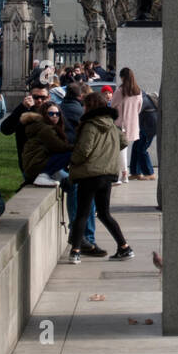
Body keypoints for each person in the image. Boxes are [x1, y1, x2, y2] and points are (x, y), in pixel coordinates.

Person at [67, 89, 133, 263]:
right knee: (104, 213)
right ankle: (124, 247)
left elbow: (84, 150)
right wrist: (107, 154)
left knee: (82, 213)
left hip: (90, 175)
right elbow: (124, 142)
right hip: (107, 176)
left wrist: (72, 160)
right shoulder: (112, 125)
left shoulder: (90, 125)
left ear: (90, 106)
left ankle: (75, 251)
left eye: (85, 105)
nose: (83, 108)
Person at [61, 83, 102, 257]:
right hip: (87, 167)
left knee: (83, 204)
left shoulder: (62, 109)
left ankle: (78, 239)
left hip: (71, 161)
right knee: (89, 206)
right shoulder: (87, 119)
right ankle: (86, 240)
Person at [20, 102, 72, 186]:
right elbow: (59, 147)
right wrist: (78, 147)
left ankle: (48, 174)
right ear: (44, 114)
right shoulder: (45, 129)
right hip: (35, 167)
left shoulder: (42, 126)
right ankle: (44, 176)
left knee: (72, 183)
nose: (55, 116)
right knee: (70, 153)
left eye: (57, 114)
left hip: (34, 165)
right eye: (51, 114)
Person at [1, 88, 52, 172]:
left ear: (48, 97)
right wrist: (22, 107)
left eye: (43, 97)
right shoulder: (23, 113)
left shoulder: (54, 113)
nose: (39, 100)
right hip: (29, 164)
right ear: (30, 97)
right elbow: (5, 129)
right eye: (36, 97)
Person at [111, 67, 142, 185]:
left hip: (120, 124)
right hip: (133, 124)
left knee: (121, 150)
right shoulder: (138, 91)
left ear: (122, 77)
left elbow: (113, 104)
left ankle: (124, 174)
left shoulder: (120, 91)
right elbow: (139, 108)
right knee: (124, 149)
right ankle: (124, 174)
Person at [130, 88, 158, 180]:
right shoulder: (142, 98)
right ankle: (135, 172)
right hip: (144, 128)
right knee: (136, 147)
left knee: (142, 149)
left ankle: (150, 173)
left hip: (149, 129)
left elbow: (133, 112)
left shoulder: (144, 100)